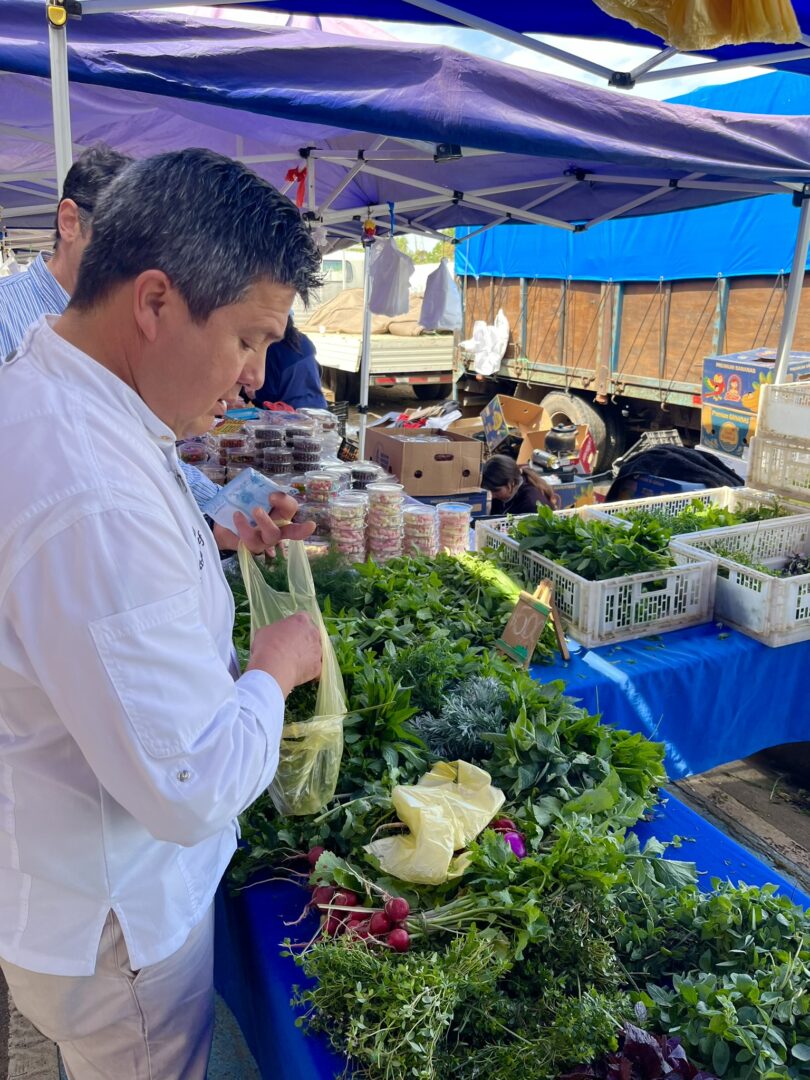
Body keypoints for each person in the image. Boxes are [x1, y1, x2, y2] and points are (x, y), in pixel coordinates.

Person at [0, 148, 323, 1079]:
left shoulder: (60, 386)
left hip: (70, 881)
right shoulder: (90, 492)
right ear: (154, 302)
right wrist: (274, 669)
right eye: (249, 339)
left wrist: (210, 542)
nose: (259, 378)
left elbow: (95, 596)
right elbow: (190, 785)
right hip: (118, 918)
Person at [0, 144, 278, 558]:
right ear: (70, 222)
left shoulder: (149, 323)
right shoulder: (8, 314)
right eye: (124, 241)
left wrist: (216, 512)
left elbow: (148, 446)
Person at [249, 316, 328, 410]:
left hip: (291, 415)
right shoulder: (303, 339)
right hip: (319, 408)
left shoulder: (272, 349)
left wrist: (254, 396)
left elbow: (269, 396)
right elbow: (317, 370)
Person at [482, 454, 561, 514]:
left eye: (495, 491)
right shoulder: (503, 493)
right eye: (489, 490)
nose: (492, 496)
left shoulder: (531, 504)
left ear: (511, 483)